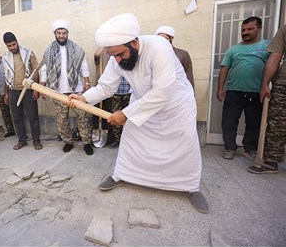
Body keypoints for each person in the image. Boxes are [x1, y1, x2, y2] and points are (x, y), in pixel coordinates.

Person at [68, 13, 208, 213]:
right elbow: (106, 86)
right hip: (142, 104)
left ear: (134, 43)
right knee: (131, 142)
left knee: (185, 146)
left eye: (120, 54)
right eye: (113, 55)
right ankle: (121, 175)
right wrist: (84, 98)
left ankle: (191, 187)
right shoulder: (116, 57)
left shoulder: (159, 48)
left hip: (176, 105)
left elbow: (162, 92)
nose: (116, 59)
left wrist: (125, 114)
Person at [216, 17, 270, 161]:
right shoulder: (233, 49)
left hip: (256, 92)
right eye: (243, 30)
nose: (245, 32)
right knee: (229, 122)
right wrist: (220, 89)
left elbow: (274, 67)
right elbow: (224, 69)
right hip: (234, 92)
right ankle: (229, 147)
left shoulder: (267, 46)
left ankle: (250, 148)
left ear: (259, 28)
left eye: (250, 29)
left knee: (254, 122)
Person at [40, 20, 93, 156]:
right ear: (55, 34)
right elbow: (44, 70)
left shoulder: (77, 49)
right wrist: (43, 87)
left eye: (64, 33)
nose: (61, 36)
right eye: (59, 33)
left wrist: (86, 84)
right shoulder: (49, 50)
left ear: (67, 33)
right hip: (58, 91)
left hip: (77, 89)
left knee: (82, 117)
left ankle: (87, 142)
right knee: (62, 118)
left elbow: (84, 67)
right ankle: (68, 142)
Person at [248, 24, 286, 174]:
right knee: (276, 124)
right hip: (283, 84)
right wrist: (265, 84)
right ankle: (271, 162)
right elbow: (275, 57)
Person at [2, 32, 43, 150]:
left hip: (29, 90)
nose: (12, 47)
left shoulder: (28, 53)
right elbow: (6, 76)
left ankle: (36, 141)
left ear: (17, 41)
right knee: (17, 117)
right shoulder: (6, 57)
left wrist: (36, 88)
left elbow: (36, 70)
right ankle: (22, 140)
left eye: (14, 44)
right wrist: (6, 93)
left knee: (33, 117)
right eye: (9, 46)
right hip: (13, 91)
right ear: (6, 45)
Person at [155, 26, 194, 90]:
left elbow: (189, 76)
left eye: (165, 38)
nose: (162, 41)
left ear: (171, 38)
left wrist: (192, 94)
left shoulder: (183, 54)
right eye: (159, 39)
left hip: (179, 91)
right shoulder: (155, 54)